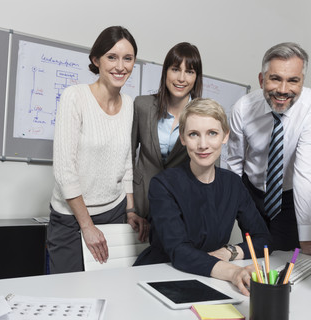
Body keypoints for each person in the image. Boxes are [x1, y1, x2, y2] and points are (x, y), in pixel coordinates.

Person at [134, 98, 272, 296]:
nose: (203, 144)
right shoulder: (163, 184)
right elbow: (179, 252)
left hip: (209, 277)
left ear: (225, 136)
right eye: (193, 134)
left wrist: (229, 252)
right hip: (162, 276)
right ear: (182, 138)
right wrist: (233, 272)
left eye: (212, 133)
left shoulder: (233, 183)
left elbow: (263, 239)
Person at [227, 42, 311, 259]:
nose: (283, 90)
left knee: (288, 256)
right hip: (251, 191)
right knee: (253, 255)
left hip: (288, 195)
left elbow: (306, 174)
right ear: (261, 80)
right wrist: (230, 208)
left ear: (302, 81)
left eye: (293, 81)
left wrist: (306, 239)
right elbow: (234, 162)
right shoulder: (242, 108)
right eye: (275, 79)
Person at [47, 26, 148, 274]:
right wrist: (87, 226)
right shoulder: (75, 97)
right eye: (111, 57)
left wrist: (131, 210)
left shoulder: (129, 104)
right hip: (72, 218)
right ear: (96, 60)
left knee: (112, 291)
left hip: (114, 212)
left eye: (128, 58)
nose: (120, 66)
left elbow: (126, 163)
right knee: (68, 294)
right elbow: (64, 171)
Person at [132, 42, 203, 218]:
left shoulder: (203, 115)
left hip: (181, 206)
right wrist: (130, 209)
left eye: (190, 72)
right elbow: (126, 157)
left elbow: (208, 171)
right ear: (165, 72)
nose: (181, 78)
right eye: (175, 69)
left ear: (196, 78)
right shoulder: (142, 105)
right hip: (142, 201)